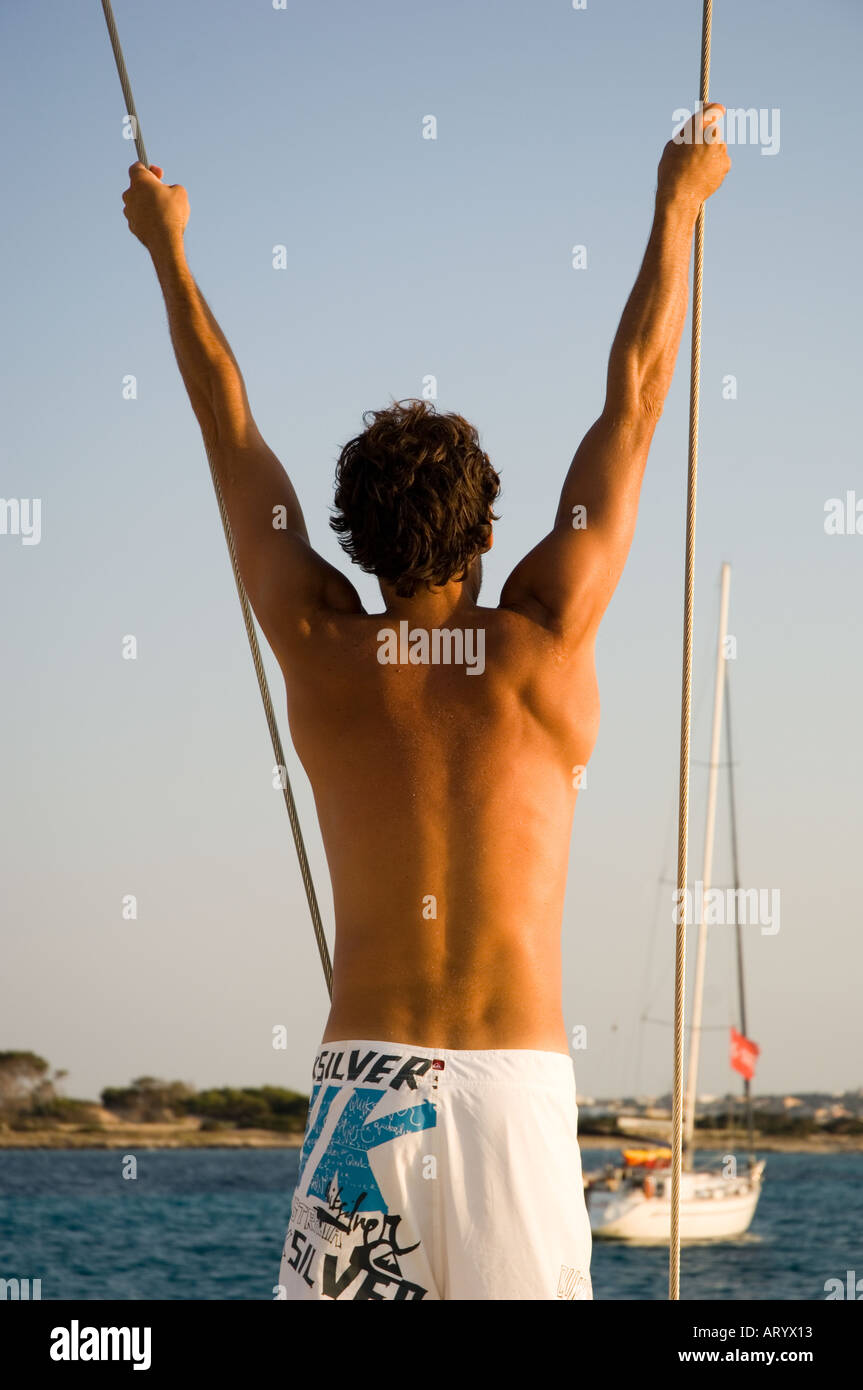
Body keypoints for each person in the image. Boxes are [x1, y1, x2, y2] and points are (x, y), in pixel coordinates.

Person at [120, 105, 730, 1300]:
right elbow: (639, 398)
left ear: (350, 544)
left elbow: (223, 419)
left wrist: (166, 246)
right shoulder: (543, 642)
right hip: (515, 1095)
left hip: (365, 1094)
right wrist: (679, 204)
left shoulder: (321, 646)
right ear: (493, 534)